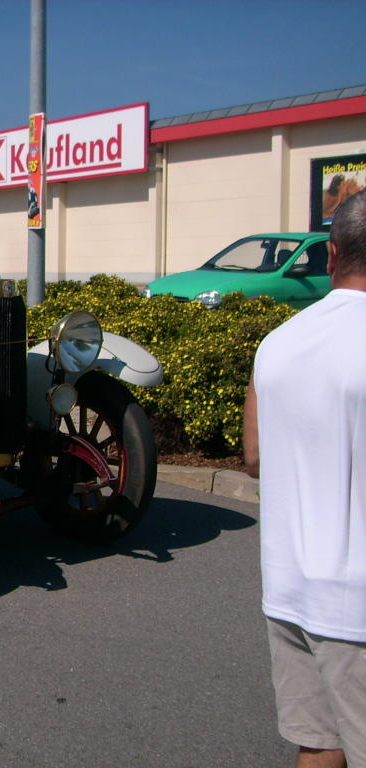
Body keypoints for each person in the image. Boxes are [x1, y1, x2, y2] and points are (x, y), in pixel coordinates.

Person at [243, 190, 366, 768]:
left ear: (332, 253)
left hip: (289, 591)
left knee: (318, 746)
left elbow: (255, 457)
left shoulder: (277, 343)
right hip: (357, 606)